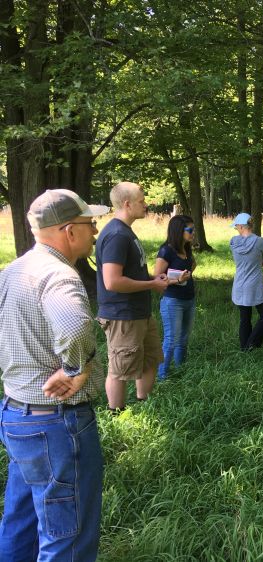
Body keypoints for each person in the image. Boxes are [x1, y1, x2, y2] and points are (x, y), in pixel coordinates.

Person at [0, 189, 108, 561]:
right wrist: (78, 368)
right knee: (68, 536)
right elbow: (75, 325)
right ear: (68, 230)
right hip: (57, 424)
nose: (95, 231)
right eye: (89, 224)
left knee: (21, 523)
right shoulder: (59, 274)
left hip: (16, 416)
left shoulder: (12, 272)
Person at [96, 182, 170, 412]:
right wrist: (151, 284)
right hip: (122, 315)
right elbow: (113, 281)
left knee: (150, 359)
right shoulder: (117, 234)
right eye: (141, 201)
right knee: (119, 370)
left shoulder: (126, 231)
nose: (146, 205)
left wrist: (155, 280)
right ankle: (116, 415)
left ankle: (143, 406)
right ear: (127, 204)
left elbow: (130, 272)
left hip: (139, 313)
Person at [153, 215, 196, 380]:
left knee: (183, 339)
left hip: (189, 300)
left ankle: (180, 370)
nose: (193, 233)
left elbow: (191, 265)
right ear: (179, 231)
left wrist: (187, 273)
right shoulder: (166, 251)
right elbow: (157, 278)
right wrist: (178, 279)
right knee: (171, 340)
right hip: (173, 302)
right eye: (190, 230)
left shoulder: (186, 248)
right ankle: (162, 376)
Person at [230, 213, 263, 351]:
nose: (236, 228)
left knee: (245, 318)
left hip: (239, 285)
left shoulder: (233, 242)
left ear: (242, 226)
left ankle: (245, 347)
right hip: (254, 285)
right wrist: (262, 260)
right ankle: (251, 345)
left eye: (236, 226)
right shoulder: (260, 241)